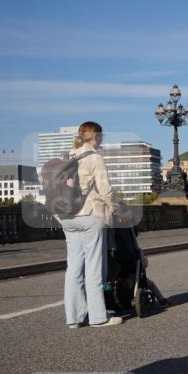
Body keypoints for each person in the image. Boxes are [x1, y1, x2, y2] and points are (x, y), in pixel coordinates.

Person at [59, 122, 123, 328]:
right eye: (102, 136)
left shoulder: (68, 156)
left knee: (73, 268)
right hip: (89, 214)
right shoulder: (95, 157)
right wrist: (115, 209)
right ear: (96, 136)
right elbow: (106, 190)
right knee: (94, 268)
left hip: (68, 217)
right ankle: (98, 317)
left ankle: (74, 318)